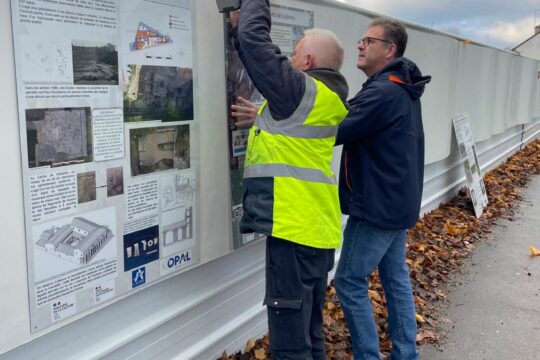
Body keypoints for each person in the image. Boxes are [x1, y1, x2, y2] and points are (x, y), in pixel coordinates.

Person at [229, 1, 349, 358]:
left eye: (294, 52)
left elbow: (255, 43)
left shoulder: (299, 94)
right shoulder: (318, 99)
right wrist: (236, 27)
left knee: (289, 347)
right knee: (309, 336)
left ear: (308, 62)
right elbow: (288, 137)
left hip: (294, 235)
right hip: (316, 233)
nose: (288, 58)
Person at [333, 18, 431, 360]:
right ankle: (405, 354)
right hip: (396, 203)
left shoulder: (384, 91)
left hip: (377, 207)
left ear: (389, 50)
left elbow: (336, 129)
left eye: (368, 40)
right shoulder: (400, 87)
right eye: (362, 39)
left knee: (348, 281)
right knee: (394, 277)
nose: (360, 45)